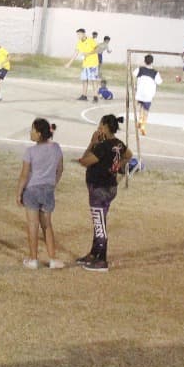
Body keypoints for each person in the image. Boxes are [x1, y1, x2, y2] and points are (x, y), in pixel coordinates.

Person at [75, 114, 130, 272]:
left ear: (105, 127)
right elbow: (129, 155)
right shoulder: (118, 144)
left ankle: (102, 260)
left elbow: (85, 161)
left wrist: (92, 143)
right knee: (100, 221)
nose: (98, 129)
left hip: (99, 188)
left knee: (99, 225)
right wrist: (117, 166)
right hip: (110, 187)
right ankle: (94, 253)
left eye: (100, 126)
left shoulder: (102, 146)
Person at [17, 118, 65, 270]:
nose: (30, 132)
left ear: (39, 134)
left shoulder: (30, 152)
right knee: (47, 225)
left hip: (32, 191)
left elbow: (24, 175)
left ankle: (33, 259)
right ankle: (52, 259)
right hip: (48, 191)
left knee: (33, 225)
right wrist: (52, 183)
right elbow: (60, 169)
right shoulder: (56, 148)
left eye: (32, 130)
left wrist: (19, 193)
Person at [66, 28, 101, 103]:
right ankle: (84, 96)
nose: (78, 36)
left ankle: (95, 97)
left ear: (84, 34)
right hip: (85, 64)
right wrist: (69, 63)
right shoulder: (79, 43)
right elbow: (76, 53)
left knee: (93, 80)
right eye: (77, 34)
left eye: (79, 34)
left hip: (93, 64)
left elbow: (98, 49)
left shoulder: (90, 40)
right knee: (84, 80)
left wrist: (88, 54)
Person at [133, 55, 161, 137]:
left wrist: (135, 85)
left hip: (139, 93)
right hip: (148, 95)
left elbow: (133, 75)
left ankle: (140, 120)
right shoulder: (155, 73)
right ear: (152, 62)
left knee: (140, 106)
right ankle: (143, 126)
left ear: (144, 61)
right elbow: (159, 82)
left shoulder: (140, 69)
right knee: (146, 110)